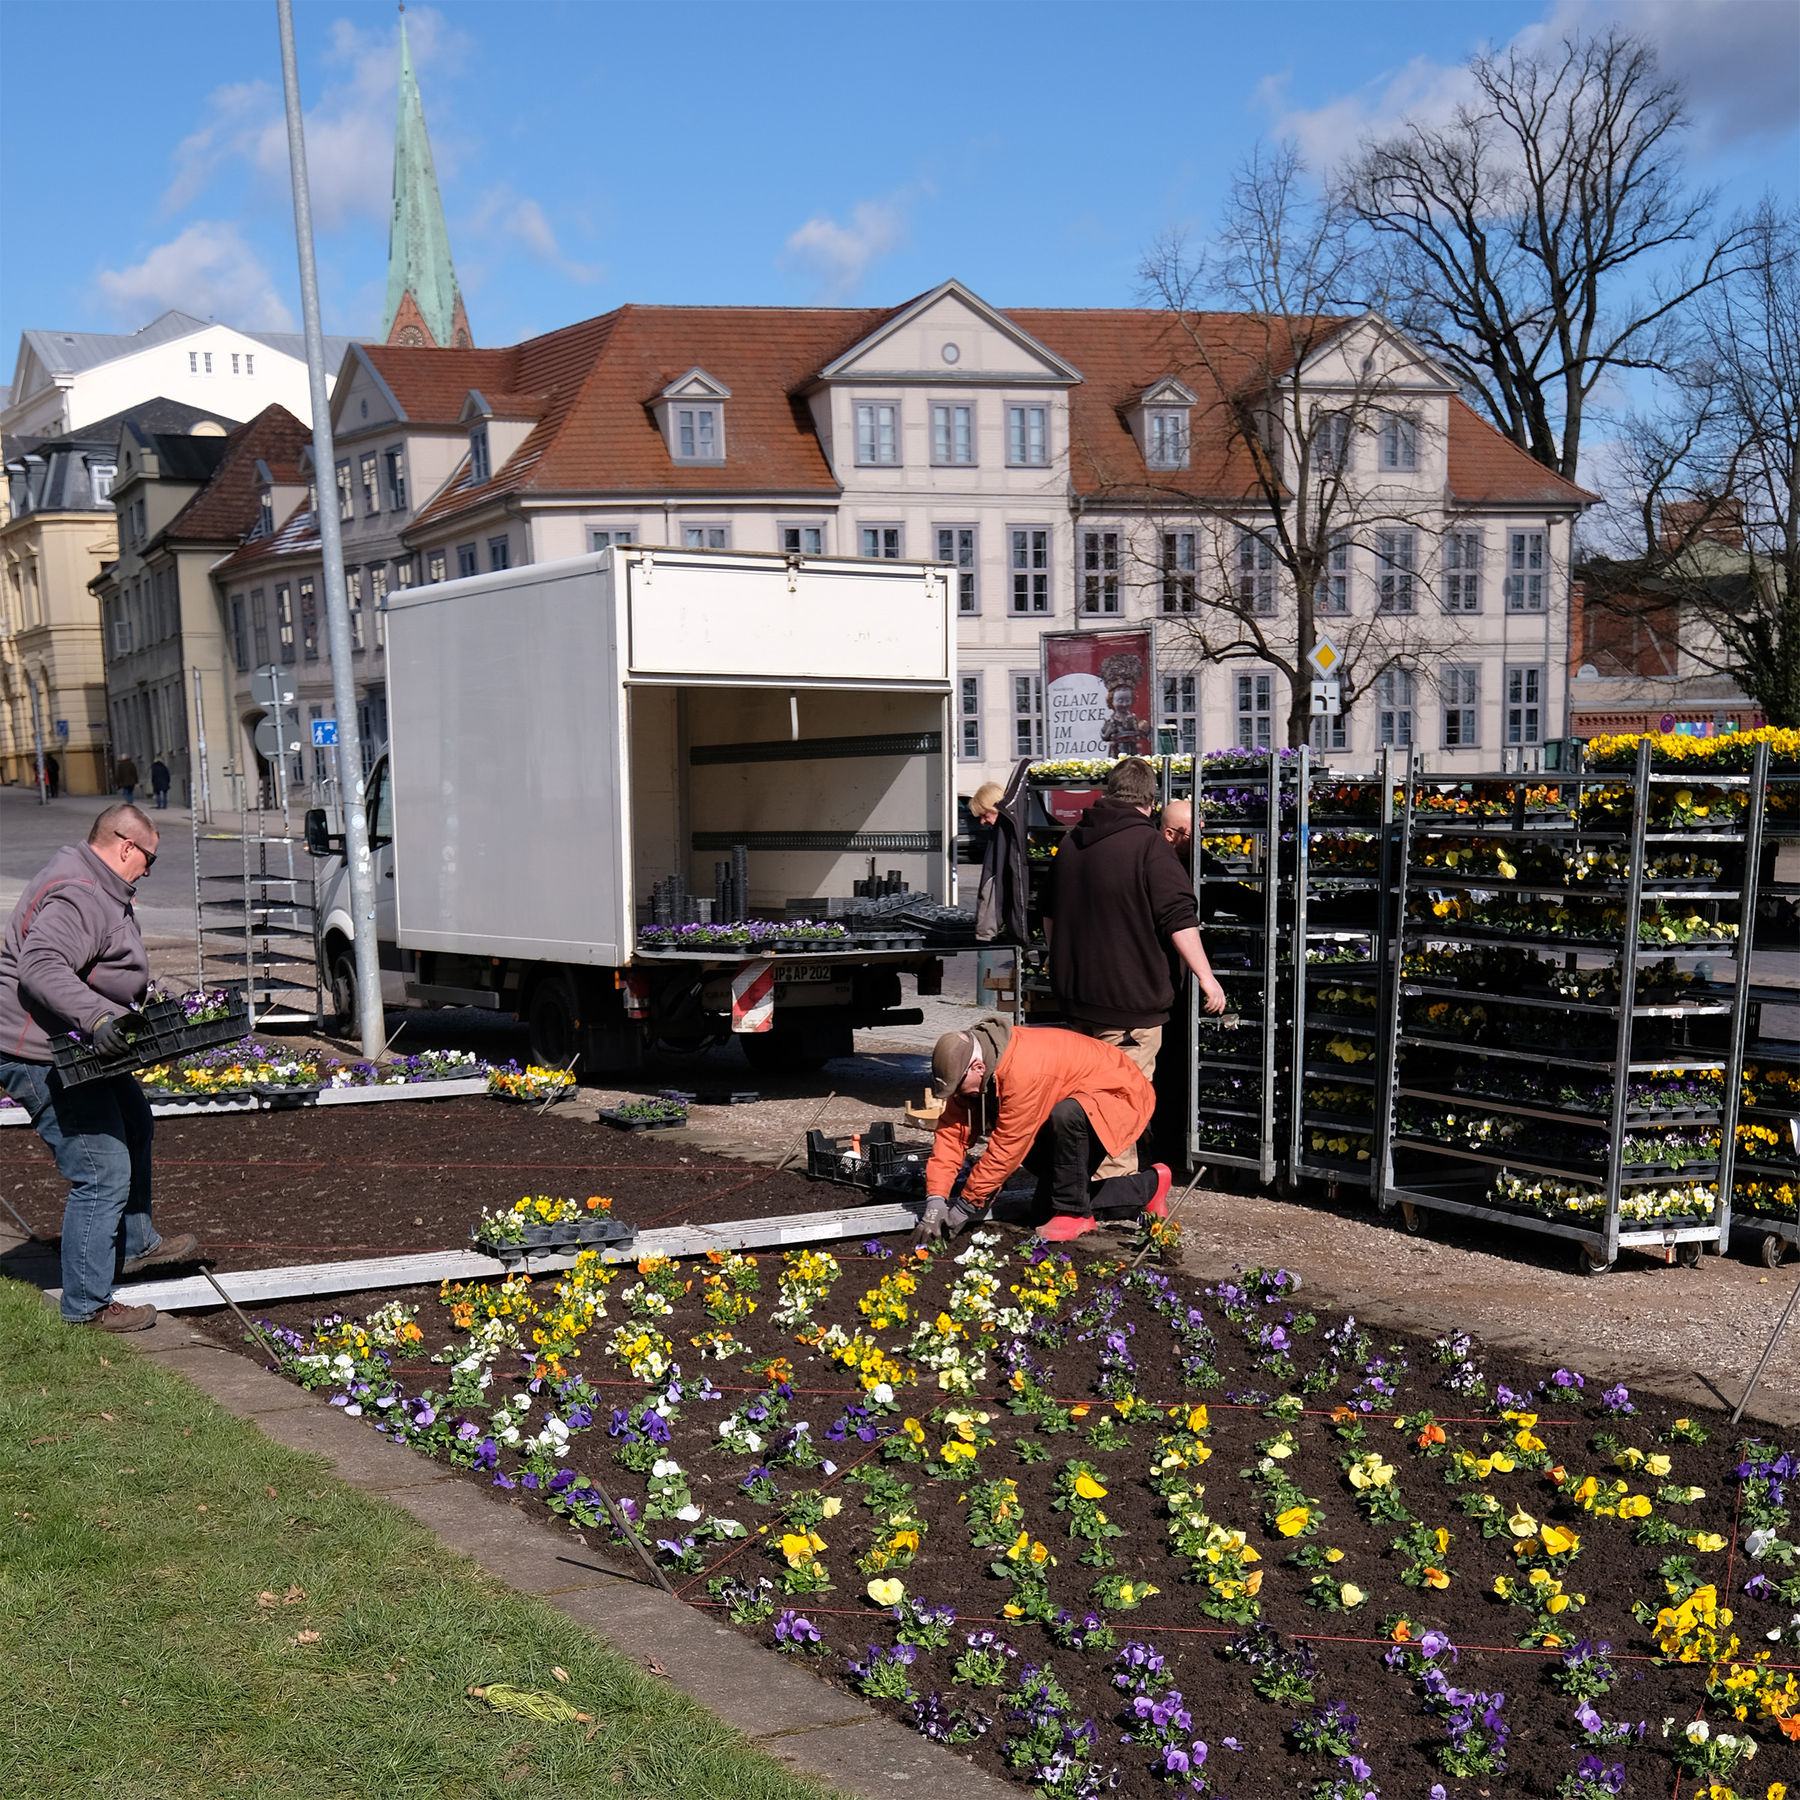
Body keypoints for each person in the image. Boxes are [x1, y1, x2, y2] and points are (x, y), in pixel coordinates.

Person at [0, 803, 198, 1331]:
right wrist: (97, 1018)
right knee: (100, 1169)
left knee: (134, 1122)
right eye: (148, 857)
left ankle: (135, 1242)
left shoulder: (93, 878)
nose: (149, 871)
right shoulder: (81, 892)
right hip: (39, 1050)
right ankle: (86, 1305)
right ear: (125, 846)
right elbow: (40, 966)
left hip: (70, 1040)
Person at [1043, 757, 1226, 1174]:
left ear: (1108, 792)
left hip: (1077, 1003)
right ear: (1149, 801)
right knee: (1120, 1103)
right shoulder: (1149, 848)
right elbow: (1179, 918)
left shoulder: (1071, 843)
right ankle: (1114, 1193)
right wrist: (1206, 977)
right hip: (1129, 1007)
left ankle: (1075, 1182)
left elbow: (1049, 912)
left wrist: (1058, 959)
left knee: (1082, 1098)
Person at [912, 1017, 1171, 1245]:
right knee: (1045, 1209)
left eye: (960, 1088)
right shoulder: (969, 1072)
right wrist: (936, 1200)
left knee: (1066, 1115)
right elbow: (951, 1136)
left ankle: (1074, 1214)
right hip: (1076, 1100)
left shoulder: (1022, 1069)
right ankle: (1148, 1186)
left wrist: (966, 1205)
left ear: (978, 1067)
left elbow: (1008, 1147)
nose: (960, 1096)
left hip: (1119, 1097)